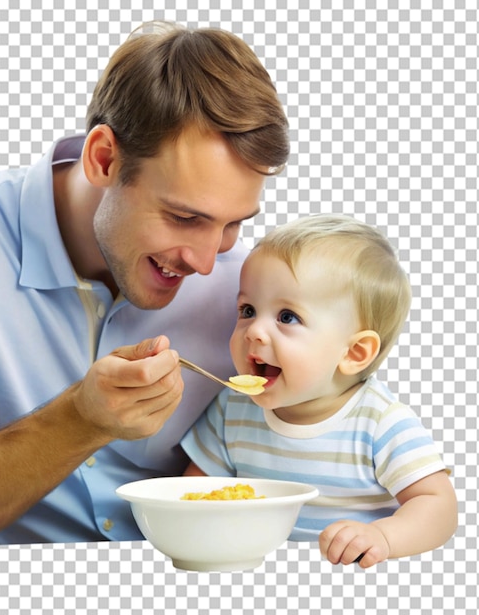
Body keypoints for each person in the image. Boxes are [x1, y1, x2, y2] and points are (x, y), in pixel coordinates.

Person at [0, 21, 290, 552]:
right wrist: (79, 421)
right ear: (104, 158)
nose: (206, 262)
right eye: (183, 217)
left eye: (233, 224)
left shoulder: (250, 290)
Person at [182, 214, 458, 568]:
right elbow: (193, 494)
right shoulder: (231, 408)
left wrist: (384, 537)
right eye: (248, 310)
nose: (254, 332)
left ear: (353, 353)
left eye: (287, 317)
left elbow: (438, 505)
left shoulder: (379, 422)